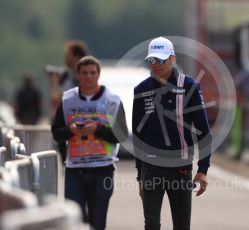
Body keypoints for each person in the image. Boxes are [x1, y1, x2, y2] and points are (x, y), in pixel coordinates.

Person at [133, 37, 213, 230]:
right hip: (151, 168)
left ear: (173, 59)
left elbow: (203, 130)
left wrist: (203, 170)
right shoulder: (141, 90)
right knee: (151, 224)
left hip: (181, 167)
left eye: (161, 60)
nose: (157, 65)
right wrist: (140, 174)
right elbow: (138, 135)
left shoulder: (190, 86)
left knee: (182, 225)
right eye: (152, 60)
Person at [51, 56, 128, 230]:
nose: (88, 77)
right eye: (84, 73)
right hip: (74, 170)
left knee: (97, 222)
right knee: (73, 221)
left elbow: (122, 135)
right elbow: (56, 133)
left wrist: (97, 129)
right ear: (78, 75)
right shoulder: (67, 99)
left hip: (103, 169)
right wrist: (70, 130)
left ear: (98, 74)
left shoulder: (112, 100)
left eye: (92, 73)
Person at [48, 40, 88, 161]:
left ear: (76, 57)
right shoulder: (74, 76)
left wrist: (53, 83)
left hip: (74, 131)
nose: (65, 58)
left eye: (67, 55)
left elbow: (56, 101)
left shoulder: (77, 78)